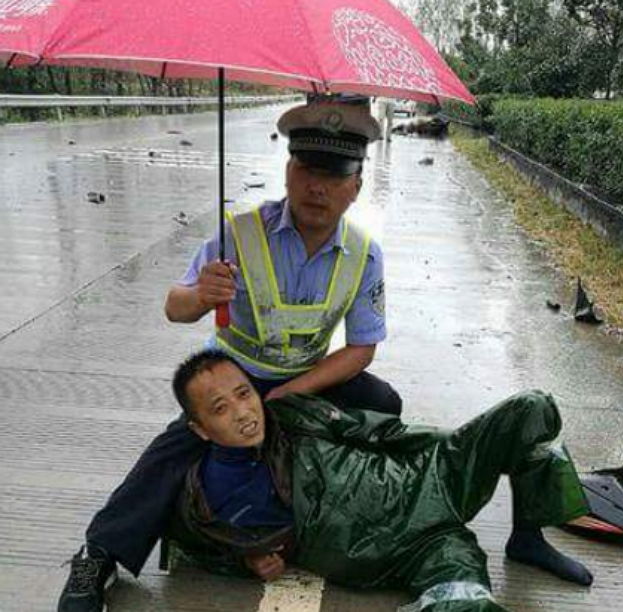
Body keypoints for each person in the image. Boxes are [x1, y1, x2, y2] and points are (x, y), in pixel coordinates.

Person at [57, 98, 402, 612]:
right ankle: (98, 556)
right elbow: (175, 307)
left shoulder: (365, 254)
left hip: (303, 380)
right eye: (307, 169)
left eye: (335, 175)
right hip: (235, 377)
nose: (317, 187)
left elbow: (361, 349)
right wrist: (201, 296)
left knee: (383, 407)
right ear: (288, 172)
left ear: (355, 186)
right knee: (173, 452)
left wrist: (292, 392)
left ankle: (347, 521)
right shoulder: (238, 235)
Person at [166, 350, 592, 612]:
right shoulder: (207, 497)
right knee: (465, 598)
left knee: (533, 409)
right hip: (401, 550)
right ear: (199, 428)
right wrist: (250, 558)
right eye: (220, 408)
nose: (243, 413)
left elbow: (374, 430)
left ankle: (528, 536)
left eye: (244, 394)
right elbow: (204, 548)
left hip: (428, 477)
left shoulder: (290, 414)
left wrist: (456, 445)